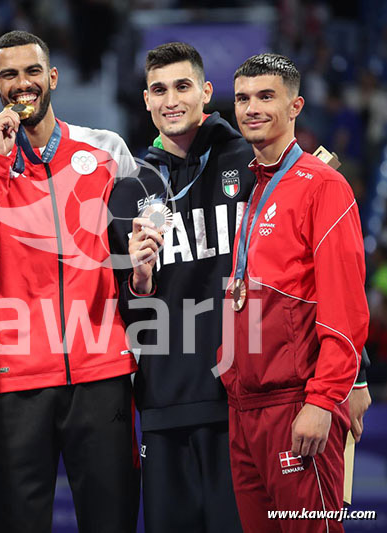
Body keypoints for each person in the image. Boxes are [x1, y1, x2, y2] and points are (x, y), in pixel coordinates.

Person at [0, 31, 140, 533]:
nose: (23, 84)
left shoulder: (107, 151)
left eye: (32, 71)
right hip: (17, 381)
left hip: (101, 372)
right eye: (9, 75)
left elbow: (137, 256)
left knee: (112, 522)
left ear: (51, 77)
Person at [217, 53, 369, 532]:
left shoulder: (324, 186)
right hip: (245, 409)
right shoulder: (253, 187)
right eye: (243, 98)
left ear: (296, 105)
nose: (252, 108)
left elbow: (345, 308)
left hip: (296, 405)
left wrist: (324, 402)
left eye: (266, 97)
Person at [108, 41, 251, 533]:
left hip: (241, 397)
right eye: (159, 89)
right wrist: (140, 278)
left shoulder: (249, 163)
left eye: (183, 86)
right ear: (146, 100)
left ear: (206, 91)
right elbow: (126, 310)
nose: (171, 99)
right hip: (164, 401)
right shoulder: (129, 190)